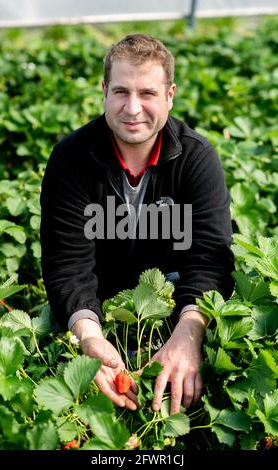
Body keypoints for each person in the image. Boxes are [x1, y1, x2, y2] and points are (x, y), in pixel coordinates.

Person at [40, 34, 234, 415]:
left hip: (177, 302)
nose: (132, 108)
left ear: (170, 95)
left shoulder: (196, 159)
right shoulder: (70, 160)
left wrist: (189, 333)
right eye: (120, 91)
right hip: (100, 305)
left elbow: (210, 259)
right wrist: (89, 337)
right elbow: (67, 265)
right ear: (103, 91)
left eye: (147, 93)